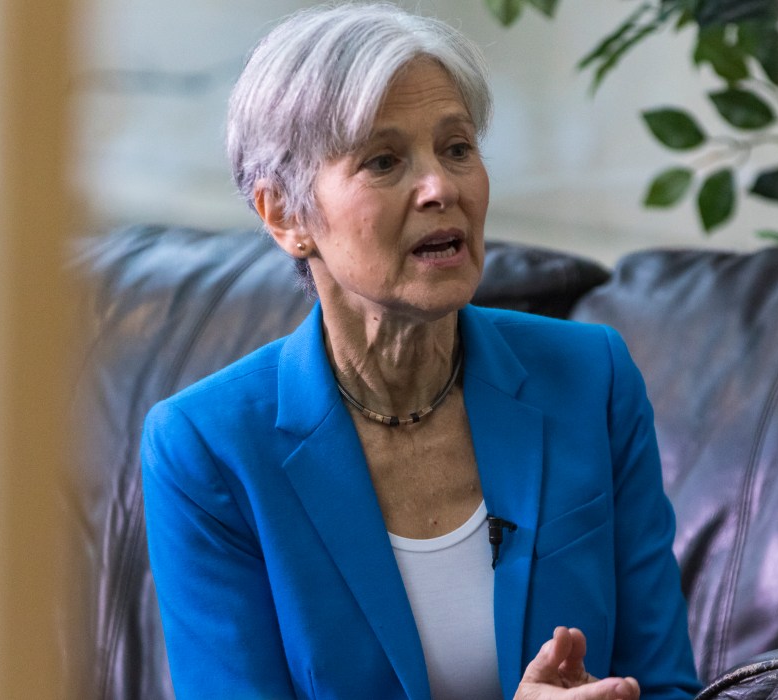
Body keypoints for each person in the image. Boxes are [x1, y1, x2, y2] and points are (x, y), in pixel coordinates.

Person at [140, 3, 702, 699]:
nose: (442, 187)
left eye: (458, 148)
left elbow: (668, 684)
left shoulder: (593, 379)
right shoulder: (207, 447)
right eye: (384, 160)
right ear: (285, 216)